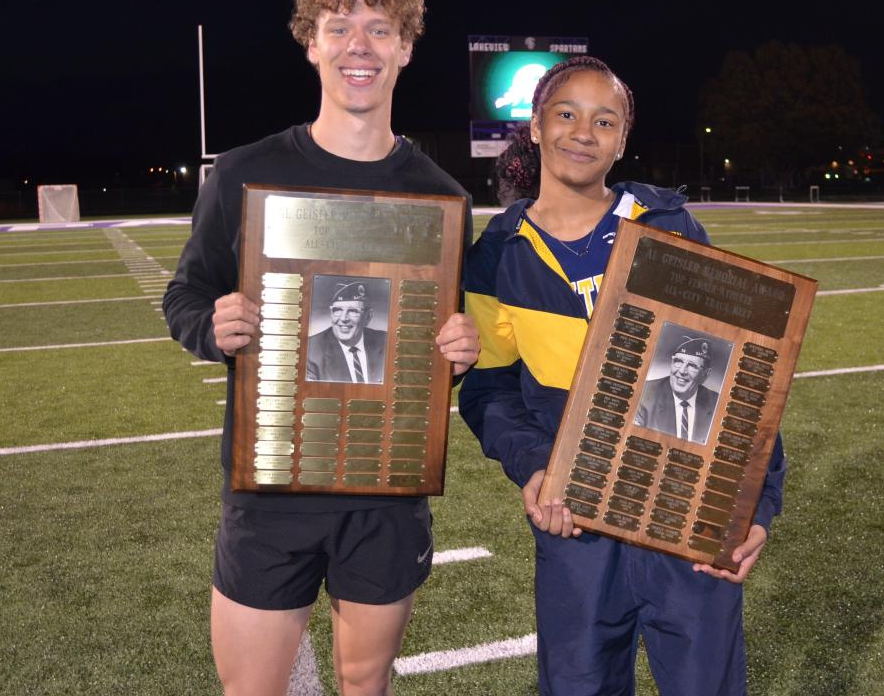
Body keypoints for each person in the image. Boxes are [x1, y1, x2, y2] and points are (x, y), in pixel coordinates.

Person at [163, 0, 479, 696]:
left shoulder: (442, 200)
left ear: (406, 46)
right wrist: (215, 325)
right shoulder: (244, 173)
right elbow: (185, 295)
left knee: (365, 682)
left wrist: (457, 347)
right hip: (271, 486)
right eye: (340, 28)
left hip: (385, 492)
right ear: (311, 43)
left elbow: (437, 330)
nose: (358, 46)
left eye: (378, 29)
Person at [459, 56, 785, 696]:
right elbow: (489, 388)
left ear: (623, 140)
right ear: (535, 125)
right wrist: (533, 465)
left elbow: (737, 371)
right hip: (573, 517)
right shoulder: (499, 253)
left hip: (682, 514)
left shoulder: (668, 228)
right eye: (567, 114)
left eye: (604, 121)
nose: (584, 132)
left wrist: (758, 505)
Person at [634, 335, 719, 444]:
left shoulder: (717, 403)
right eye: (678, 361)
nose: (682, 371)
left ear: (705, 374)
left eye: (692, 366)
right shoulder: (644, 393)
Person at [306, 280, 387, 383]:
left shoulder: (386, 342)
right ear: (331, 313)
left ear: (368, 316)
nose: (343, 318)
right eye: (338, 310)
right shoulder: (311, 351)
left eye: (353, 311)